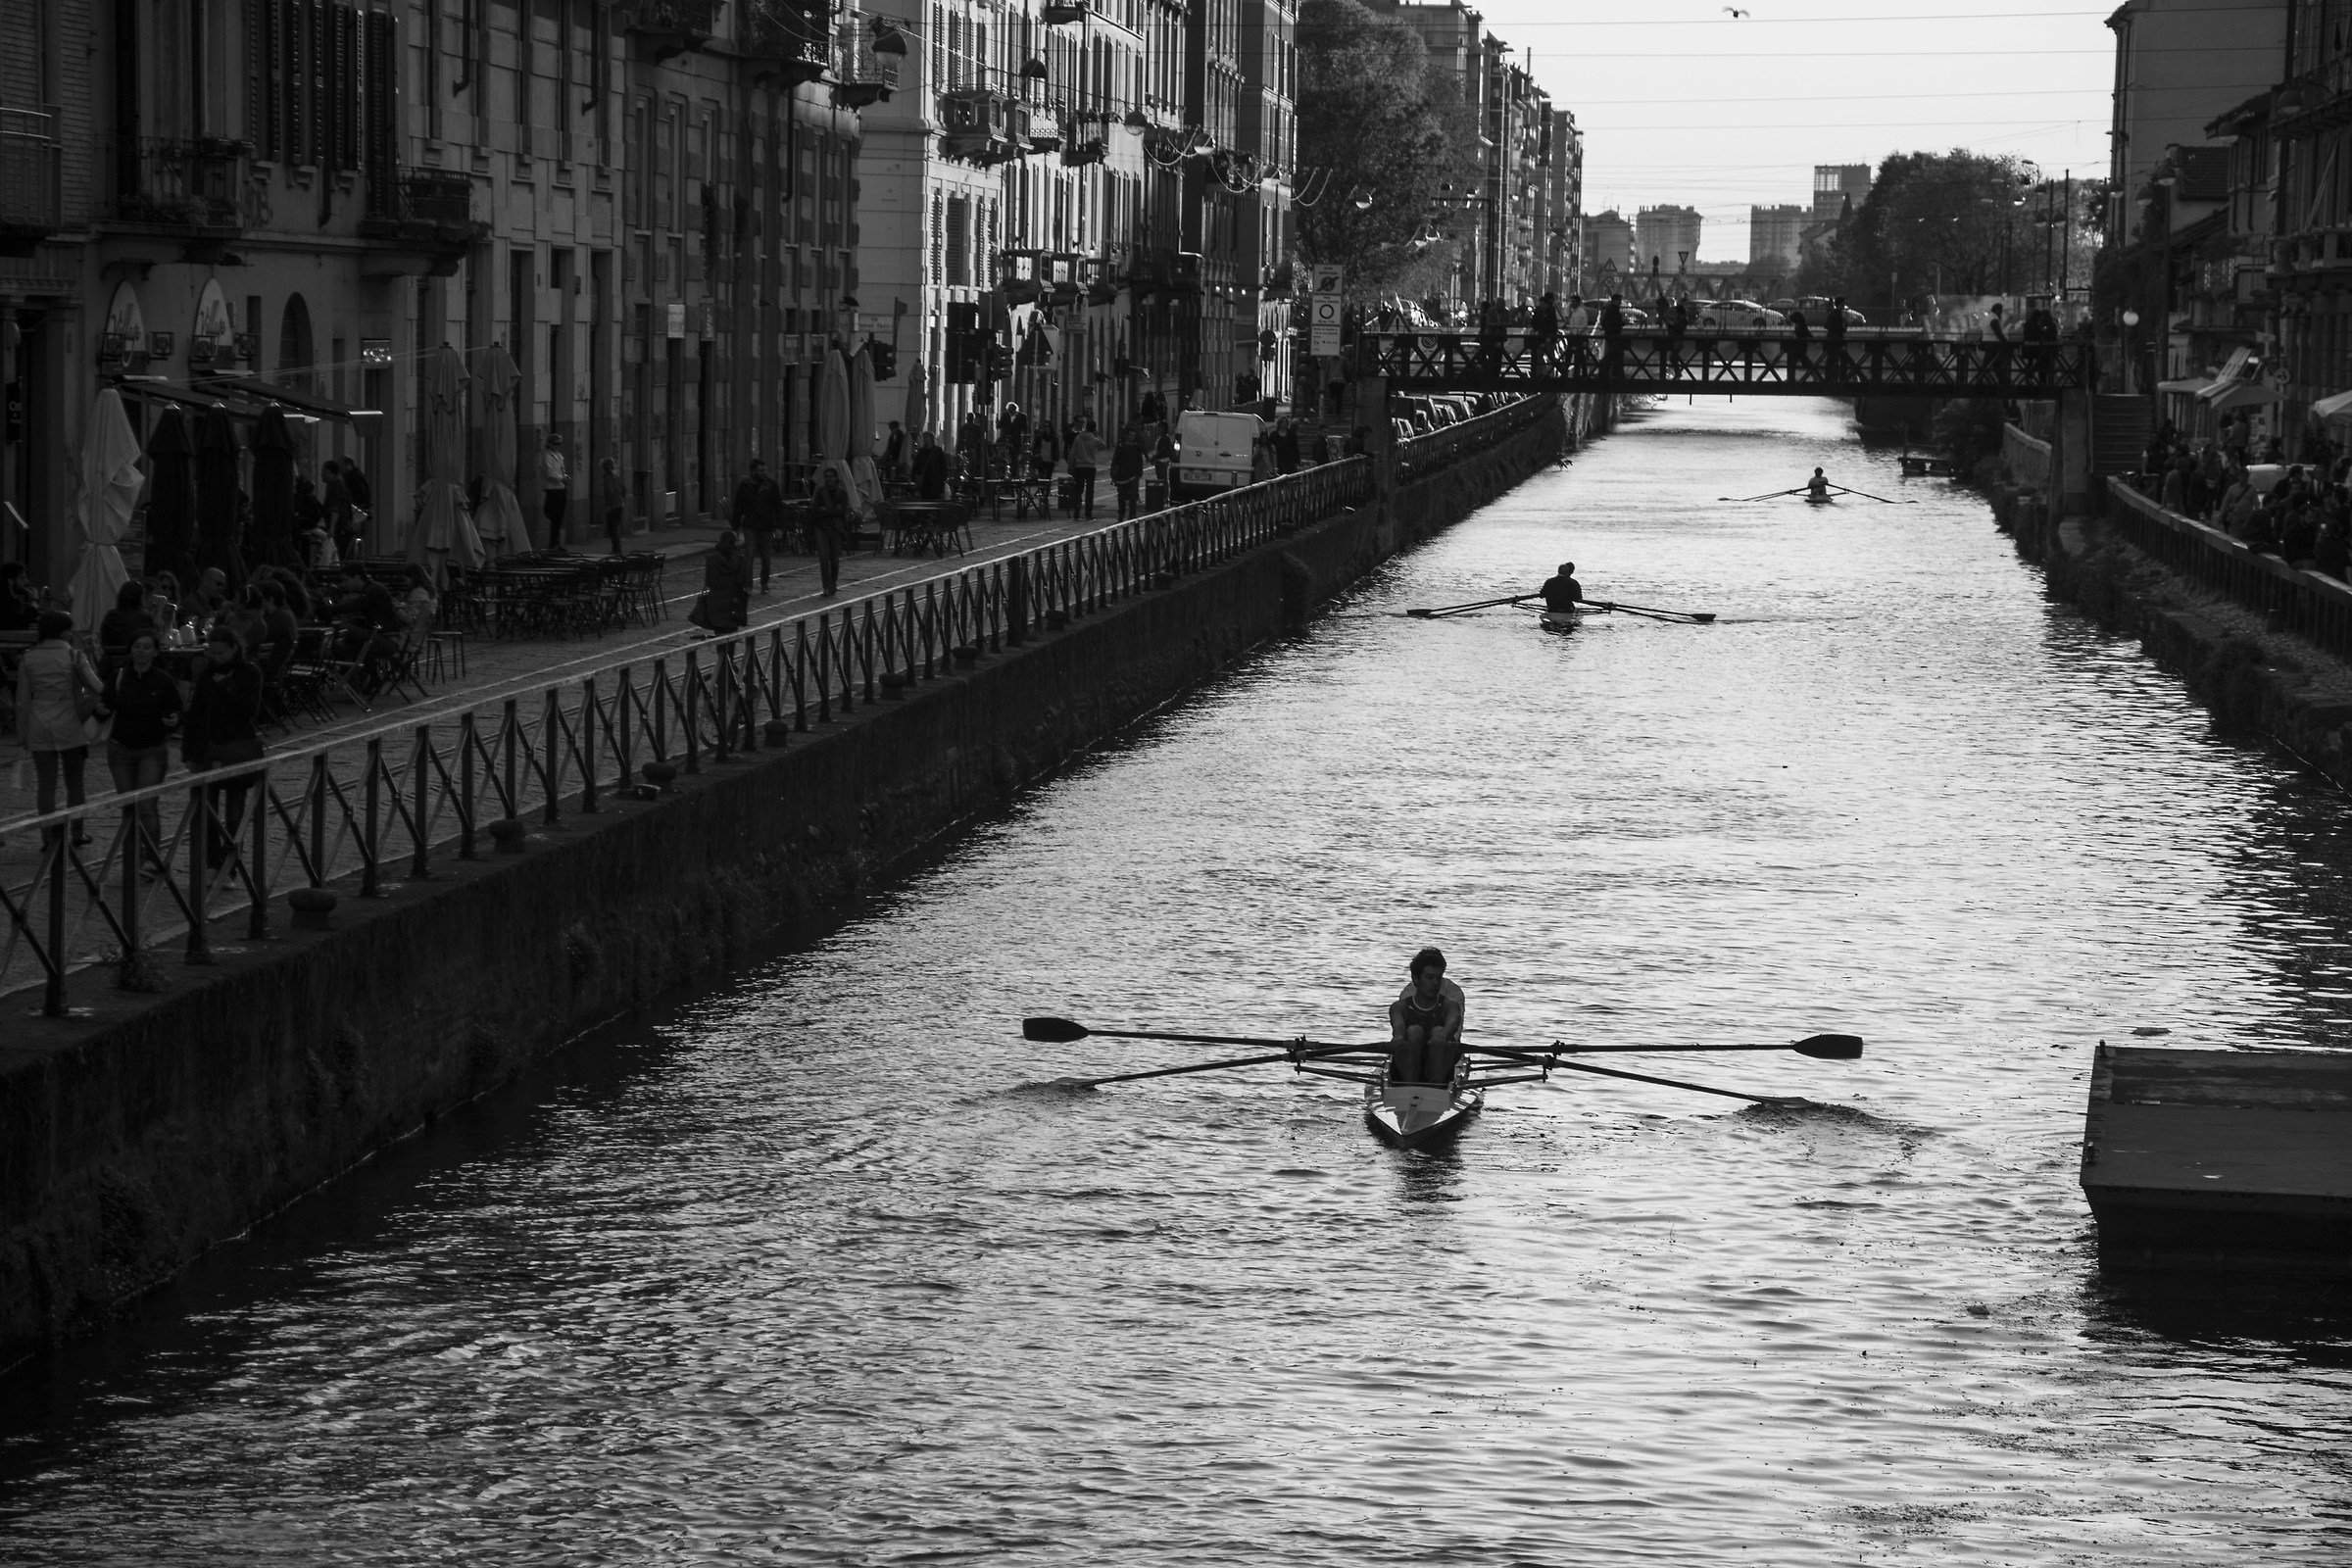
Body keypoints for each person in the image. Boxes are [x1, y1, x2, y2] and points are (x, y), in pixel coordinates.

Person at [14, 609, 101, 843]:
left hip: (39, 723)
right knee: (74, 783)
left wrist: (22, 734)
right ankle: (76, 831)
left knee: (46, 785)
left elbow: (22, 701)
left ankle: (48, 835)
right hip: (71, 722)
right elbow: (96, 686)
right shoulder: (74, 656)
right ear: (63, 631)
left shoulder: (28, 657)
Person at [95, 628, 181, 862]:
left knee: (146, 805)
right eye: (137, 647)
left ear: (155, 652)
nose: (141, 651)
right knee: (128, 807)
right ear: (131, 651)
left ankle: (153, 859)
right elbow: (105, 705)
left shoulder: (163, 680)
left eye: (146, 647)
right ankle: (133, 858)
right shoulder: (119, 676)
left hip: (151, 749)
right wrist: (100, 710)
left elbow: (175, 710)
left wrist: (173, 720)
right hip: (120, 748)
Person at [183, 625, 266, 869]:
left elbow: (249, 710)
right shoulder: (208, 674)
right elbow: (196, 714)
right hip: (209, 746)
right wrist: (188, 752)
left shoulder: (249, 673)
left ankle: (230, 863)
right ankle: (212, 862)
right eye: (212, 653)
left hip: (237, 745)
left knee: (234, 812)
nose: (216, 658)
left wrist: (227, 686)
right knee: (206, 809)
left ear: (234, 649)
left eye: (221, 653)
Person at [1389, 947, 1465, 1086]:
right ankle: (1409, 1086)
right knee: (1414, 1031)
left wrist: (1443, 1035)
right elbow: (1398, 1028)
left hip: (1440, 1069)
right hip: (1406, 1068)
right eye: (1429, 977)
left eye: (1439, 977)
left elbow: (1453, 1024)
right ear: (1416, 979)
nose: (1436, 983)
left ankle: (1435, 1086)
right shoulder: (1399, 1007)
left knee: (1437, 1031)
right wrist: (1398, 1038)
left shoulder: (1450, 1005)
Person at [731, 458, 784, 592]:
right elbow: (737, 507)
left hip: (766, 526)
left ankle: (764, 583)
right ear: (753, 471)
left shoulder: (771, 485)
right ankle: (748, 584)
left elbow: (778, 507)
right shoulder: (745, 486)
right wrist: (735, 528)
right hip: (750, 525)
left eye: (765, 470)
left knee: (766, 558)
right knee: (749, 555)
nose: (764, 473)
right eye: (761, 470)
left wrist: (779, 527)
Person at [690, 530, 755, 634]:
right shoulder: (740, 561)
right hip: (733, 606)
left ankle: (721, 650)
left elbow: (708, 582)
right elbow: (745, 583)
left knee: (719, 636)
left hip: (715, 606)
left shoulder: (711, 559)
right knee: (731, 638)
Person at [809, 466, 852, 596]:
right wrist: (832, 511)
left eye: (831, 476)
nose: (828, 479)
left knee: (834, 559)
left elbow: (841, 511)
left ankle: (833, 581)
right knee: (823, 558)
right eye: (826, 477)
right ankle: (826, 586)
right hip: (821, 528)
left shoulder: (842, 494)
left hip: (835, 529)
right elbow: (815, 510)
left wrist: (825, 510)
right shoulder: (820, 492)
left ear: (836, 478)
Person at [98, 580, 153, 674]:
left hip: (110, 665)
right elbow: (154, 640)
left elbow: (104, 640)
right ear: (140, 598)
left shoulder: (111, 615)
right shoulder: (144, 618)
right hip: (138, 664)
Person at [1065, 417, 1102, 519]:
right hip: (1090, 467)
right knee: (1089, 491)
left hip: (1079, 467)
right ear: (1094, 429)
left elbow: (1072, 453)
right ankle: (1088, 513)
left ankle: (1077, 505)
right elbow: (1103, 445)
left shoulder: (1078, 438)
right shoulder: (1094, 439)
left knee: (1078, 489)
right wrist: (1096, 435)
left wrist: (1070, 466)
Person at [539, 432, 569, 543]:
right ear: (549, 444)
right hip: (552, 489)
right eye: (555, 443)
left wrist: (565, 477)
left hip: (561, 489)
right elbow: (549, 473)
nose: (557, 446)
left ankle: (557, 543)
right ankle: (553, 543)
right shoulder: (547, 456)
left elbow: (562, 471)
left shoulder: (559, 456)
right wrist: (562, 478)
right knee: (554, 516)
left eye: (559, 444)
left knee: (559, 518)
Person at [1110, 427, 1146, 520]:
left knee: (1133, 496)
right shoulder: (1121, 447)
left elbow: (1139, 461)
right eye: (1130, 435)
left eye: (1134, 435)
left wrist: (1139, 473)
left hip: (1133, 476)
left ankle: (1132, 515)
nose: (1132, 437)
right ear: (1126, 436)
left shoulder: (1137, 447)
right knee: (1121, 497)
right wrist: (1113, 473)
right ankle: (1121, 513)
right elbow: (1115, 460)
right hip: (1122, 476)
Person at [598, 456, 628, 556]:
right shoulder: (617, 477)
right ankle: (616, 548)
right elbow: (624, 490)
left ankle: (617, 549)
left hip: (612, 506)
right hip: (620, 505)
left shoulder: (607, 479)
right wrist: (621, 498)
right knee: (615, 527)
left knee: (612, 529)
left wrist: (609, 505)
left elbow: (609, 492)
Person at [911, 431, 952, 501]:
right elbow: (916, 465)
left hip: (935, 480)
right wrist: (912, 476)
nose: (925, 439)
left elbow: (943, 465)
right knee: (925, 498)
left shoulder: (938, 451)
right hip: (924, 480)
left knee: (935, 498)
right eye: (924, 438)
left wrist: (944, 477)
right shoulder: (921, 451)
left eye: (927, 437)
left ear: (931, 439)